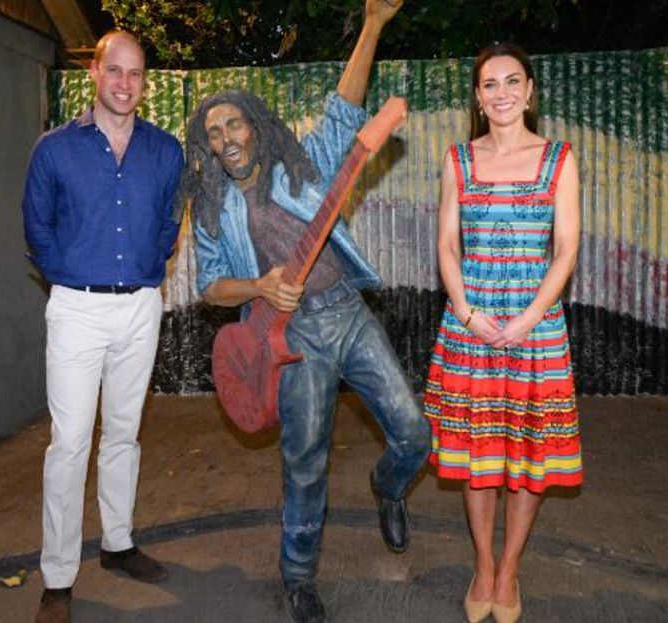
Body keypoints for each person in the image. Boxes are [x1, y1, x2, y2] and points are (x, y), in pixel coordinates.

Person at [181, 1, 428, 621]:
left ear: (255, 126)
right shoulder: (212, 209)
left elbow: (345, 108)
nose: (225, 140)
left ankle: (387, 487)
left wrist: (372, 25)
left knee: (414, 434)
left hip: (348, 312)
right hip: (291, 340)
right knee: (305, 463)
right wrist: (260, 287)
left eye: (233, 124)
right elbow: (210, 287)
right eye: (212, 133)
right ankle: (298, 579)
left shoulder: (302, 164)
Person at [21, 30, 184, 623]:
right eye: (114, 70)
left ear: (145, 81)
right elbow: (36, 228)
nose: (124, 83)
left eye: (135, 74)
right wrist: (67, 273)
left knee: (123, 433)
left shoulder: (165, 151)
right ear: (94, 71)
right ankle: (58, 576)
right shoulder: (55, 150)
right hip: (76, 308)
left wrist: (150, 264)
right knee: (69, 445)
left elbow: (171, 218)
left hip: (140, 305)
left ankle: (118, 543)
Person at [423, 42, 582, 623]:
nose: (502, 93)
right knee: (477, 456)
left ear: (530, 90)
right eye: (490, 84)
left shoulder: (559, 159)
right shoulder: (458, 160)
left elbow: (566, 250)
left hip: (534, 328)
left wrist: (527, 318)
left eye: (512, 81)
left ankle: (510, 568)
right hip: (472, 328)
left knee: (529, 458)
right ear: (477, 97)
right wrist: (466, 312)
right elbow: (446, 244)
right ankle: (484, 564)